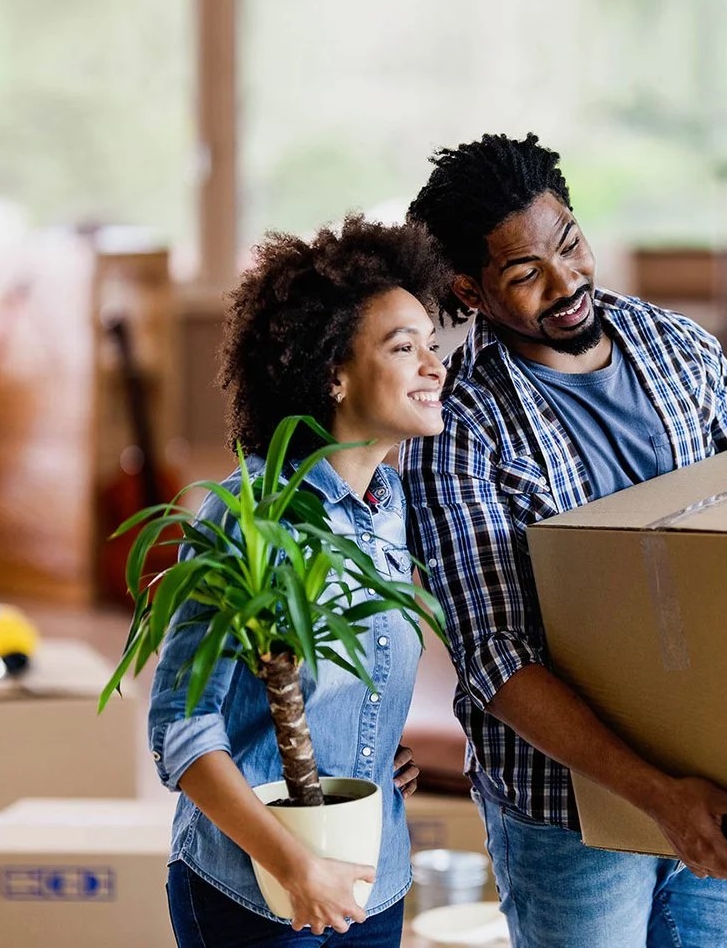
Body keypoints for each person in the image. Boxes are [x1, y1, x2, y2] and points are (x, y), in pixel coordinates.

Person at [403, 134, 727, 946]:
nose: (567, 282)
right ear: (468, 291)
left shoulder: (682, 351)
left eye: (570, 244)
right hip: (566, 813)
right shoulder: (459, 430)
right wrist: (656, 794)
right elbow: (496, 659)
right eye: (525, 273)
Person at [147, 215, 451, 946]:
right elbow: (180, 731)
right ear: (333, 374)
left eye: (432, 347)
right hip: (256, 891)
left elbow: (351, 676)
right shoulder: (246, 519)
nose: (433, 367)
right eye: (403, 348)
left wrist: (369, 756)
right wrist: (296, 865)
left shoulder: (391, 507)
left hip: (372, 878)